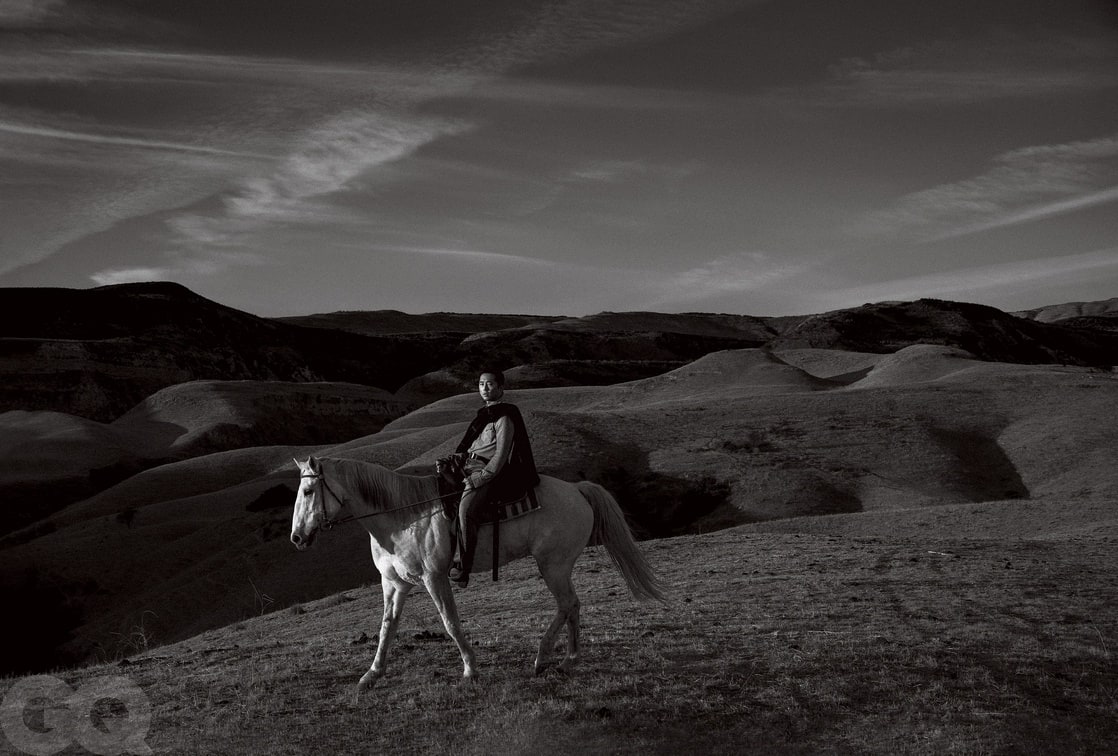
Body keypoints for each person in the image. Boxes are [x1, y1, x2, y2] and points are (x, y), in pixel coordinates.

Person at [446, 370, 539, 588]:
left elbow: (500, 455)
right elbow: (469, 447)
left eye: (489, 384)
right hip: (466, 466)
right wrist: (453, 459)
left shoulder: (505, 416)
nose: (485, 389)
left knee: (466, 511)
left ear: (500, 387)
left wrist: (480, 479)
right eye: (480, 384)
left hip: (483, 471)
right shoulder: (482, 416)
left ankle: (462, 566)